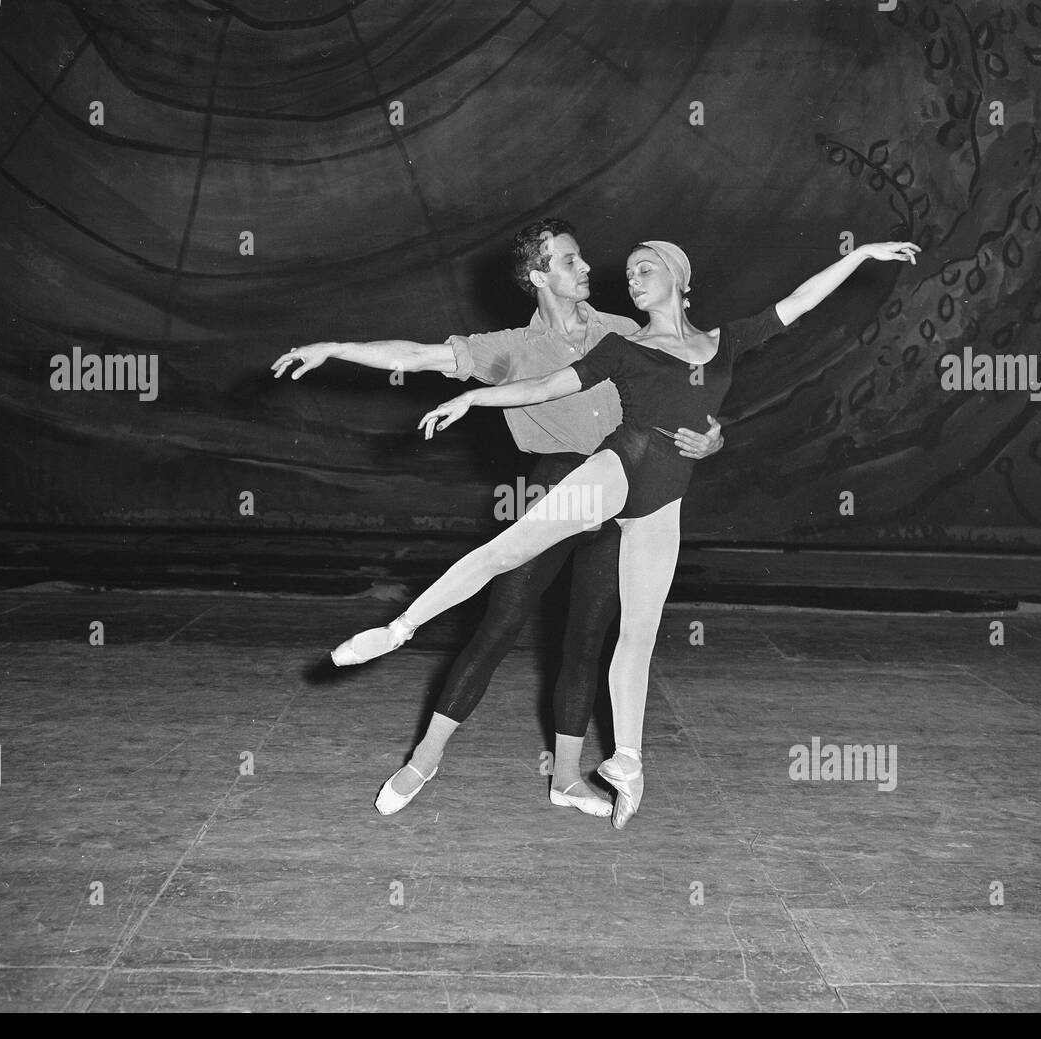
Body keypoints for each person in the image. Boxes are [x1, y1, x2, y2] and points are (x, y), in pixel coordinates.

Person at [330, 238, 921, 828]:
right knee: (504, 555)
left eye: (646, 269)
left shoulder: (725, 341)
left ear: (680, 278)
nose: (632, 279)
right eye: (630, 272)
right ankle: (397, 630)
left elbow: (800, 301)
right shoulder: (622, 345)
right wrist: (473, 398)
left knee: (635, 635)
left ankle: (628, 762)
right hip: (611, 471)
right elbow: (544, 388)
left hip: (662, 504)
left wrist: (862, 254)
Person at [269, 219, 726, 818]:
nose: (586, 267)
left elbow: (689, 390)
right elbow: (418, 355)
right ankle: (422, 761)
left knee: (586, 641)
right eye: (569, 260)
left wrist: (713, 440)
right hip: (554, 482)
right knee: (498, 625)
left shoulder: (623, 331)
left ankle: (565, 779)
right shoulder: (509, 346)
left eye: (581, 256)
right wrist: (332, 348)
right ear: (540, 276)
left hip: (628, 487)